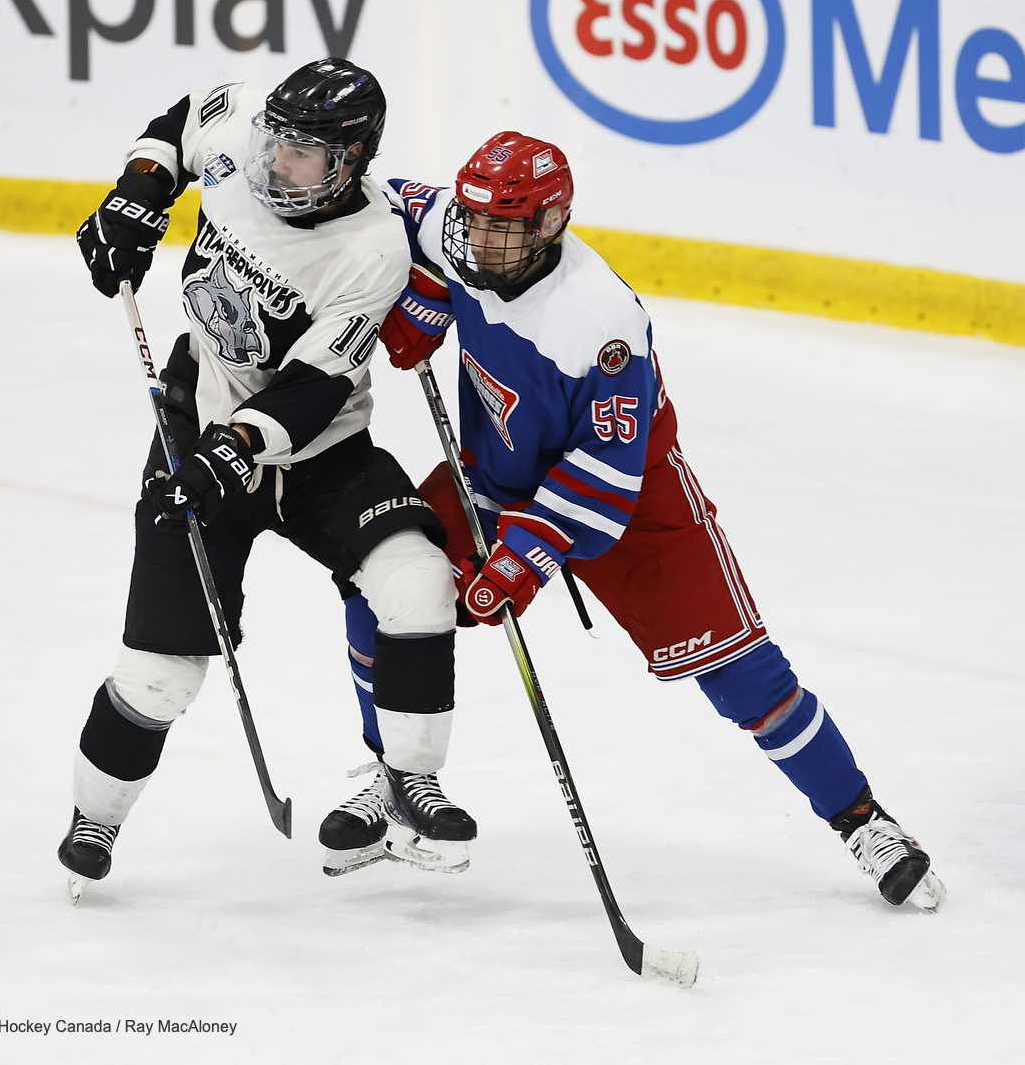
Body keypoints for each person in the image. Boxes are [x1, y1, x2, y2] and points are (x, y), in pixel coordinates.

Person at [333, 131, 945, 911]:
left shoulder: (599, 319)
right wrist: (422, 288)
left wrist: (523, 561)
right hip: (492, 480)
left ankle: (864, 820)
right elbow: (373, 198)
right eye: (474, 223)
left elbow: (605, 472)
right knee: (383, 577)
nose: (480, 240)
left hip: (633, 501)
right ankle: (399, 777)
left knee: (744, 676)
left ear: (551, 224)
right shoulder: (462, 228)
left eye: (504, 228)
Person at [57, 59, 478, 890]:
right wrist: (139, 188)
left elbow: (318, 386)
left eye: (303, 153)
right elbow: (183, 123)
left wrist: (235, 449)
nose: (274, 163)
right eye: (275, 141)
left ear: (352, 159)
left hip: (320, 453)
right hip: (199, 417)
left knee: (420, 582)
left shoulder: (371, 249)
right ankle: (93, 820)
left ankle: (410, 780)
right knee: (160, 671)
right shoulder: (245, 120)